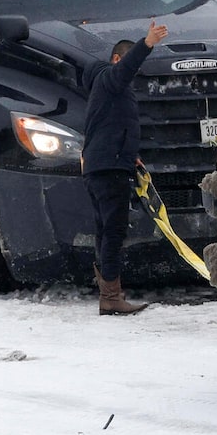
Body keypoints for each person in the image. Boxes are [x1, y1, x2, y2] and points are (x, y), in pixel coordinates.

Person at [84, 19, 168, 316]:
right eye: (128, 65)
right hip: (109, 169)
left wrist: (130, 155)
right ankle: (111, 296)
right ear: (117, 59)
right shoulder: (110, 77)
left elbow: (113, 128)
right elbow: (124, 70)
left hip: (102, 164)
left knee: (104, 230)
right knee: (115, 231)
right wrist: (146, 44)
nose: (133, 73)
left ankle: (107, 291)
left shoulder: (108, 91)